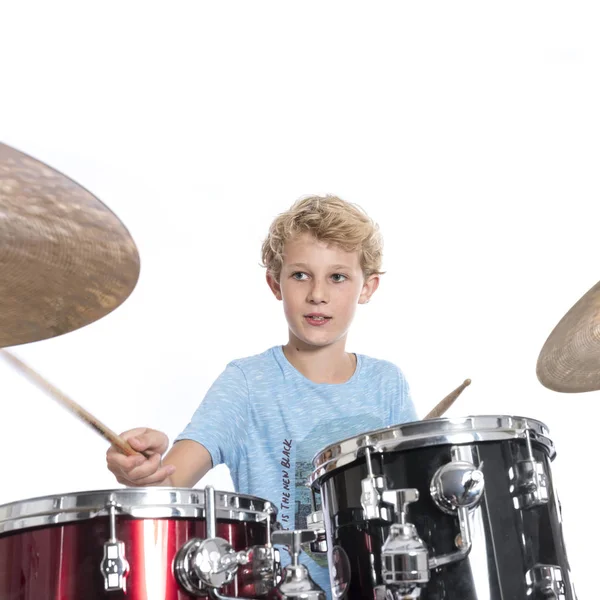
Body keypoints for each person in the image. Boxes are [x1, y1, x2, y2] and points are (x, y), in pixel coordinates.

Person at [106, 194, 418, 598]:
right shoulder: (248, 383)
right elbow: (170, 481)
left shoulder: (386, 384)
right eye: (300, 275)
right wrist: (142, 470)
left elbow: (413, 499)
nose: (317, 294)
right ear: (275, 283)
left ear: (367, 287)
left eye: (337, 277)